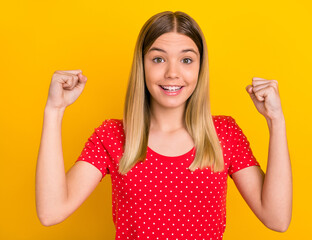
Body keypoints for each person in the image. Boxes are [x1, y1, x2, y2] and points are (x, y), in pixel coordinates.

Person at [36, 11, 292, 239]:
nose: (172, 72)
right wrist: (54, 110)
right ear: (142, 66)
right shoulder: (113, 136)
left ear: (200, 68)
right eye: (158, 59)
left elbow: (277, 219)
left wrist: (276, 120)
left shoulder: (223, 134)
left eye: (186, 60)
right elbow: (51, 211)